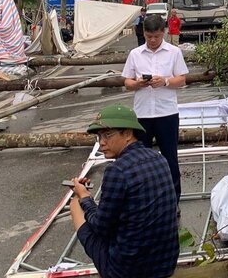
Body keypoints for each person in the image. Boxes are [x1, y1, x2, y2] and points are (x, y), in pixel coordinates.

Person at [70, 104, 178, 278]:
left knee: (76, 205)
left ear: (127, 134)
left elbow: (100, 228)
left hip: (127, 272)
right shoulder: (159, 159)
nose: (102, 143)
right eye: (99, 137)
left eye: (107, 135)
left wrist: (83, 196)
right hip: (166, 264)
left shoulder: (117, 170)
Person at [122, 15, 188, 199]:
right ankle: (143, 198)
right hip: (142, 114)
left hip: (166, 113)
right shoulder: (135, 54)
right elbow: (126, 82)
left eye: (156, 37)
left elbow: (182, 79)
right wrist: (137, 84)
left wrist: (165, 81)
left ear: (163, 32)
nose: (152, 40)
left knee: (169, 157)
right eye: (149, 36)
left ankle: (173, 199)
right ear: (143, 33)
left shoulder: (174, 52)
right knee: (140, 159)